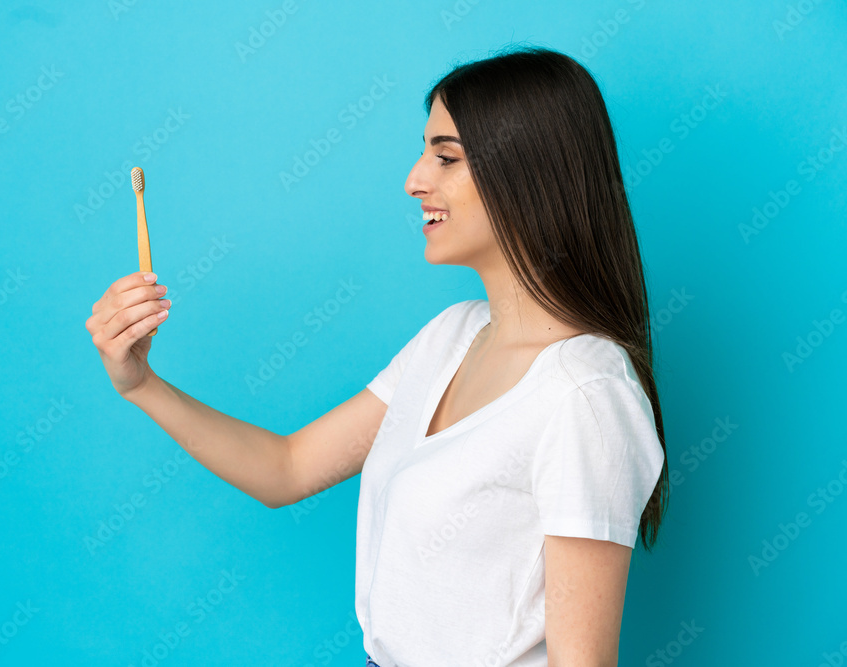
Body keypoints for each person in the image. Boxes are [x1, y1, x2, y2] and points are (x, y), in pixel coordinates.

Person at [86, 44, 668, 667]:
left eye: (446, 157)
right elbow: (286, 468)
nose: (415, 180)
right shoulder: (451, 335)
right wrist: (140, 382)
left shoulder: (585, 395)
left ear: (527, 173)